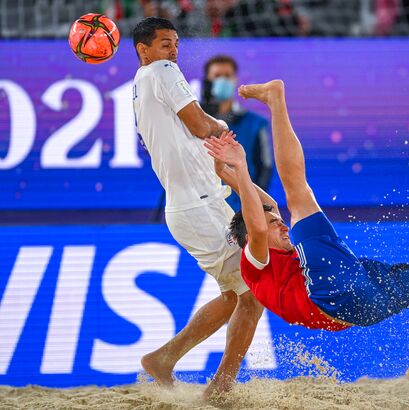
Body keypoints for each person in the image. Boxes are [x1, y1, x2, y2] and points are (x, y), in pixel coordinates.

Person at [204, 80, 409, 409]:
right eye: (271, 222)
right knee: (298, 192)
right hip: (328, 291)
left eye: (277, 220)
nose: (281, 224)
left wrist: (229, 176)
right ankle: (276, 99)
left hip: (364, 299)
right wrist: (242, 171)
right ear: (250, 235)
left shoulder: (287, 252)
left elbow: (264, 212)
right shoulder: (255, 262)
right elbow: (257, 221)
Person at [131, 17, 264, 397]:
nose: (172, 50)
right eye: (163, 43)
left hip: (202, 202)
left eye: (174, 43)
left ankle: (165, 360)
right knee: (251, 295)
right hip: (196, 207)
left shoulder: (140, 86)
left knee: (235, 296)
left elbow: (190, 144)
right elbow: (196, 124)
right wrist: (221, 125)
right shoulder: (163, 71)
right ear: (144, 50)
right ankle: (221, 388)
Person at [202, 54, 273, 210]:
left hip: (242, 208)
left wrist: (255, 203)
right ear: (207, 80)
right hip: (202, 208)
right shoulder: (195, 122)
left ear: (235, 79)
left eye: (227, 76)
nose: (222, 80)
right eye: (217, 76)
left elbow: (265, 167)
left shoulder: (256, 123)